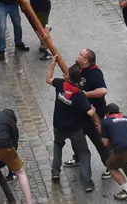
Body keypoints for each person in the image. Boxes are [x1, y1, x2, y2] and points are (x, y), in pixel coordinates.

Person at [47, 62, 98, 193]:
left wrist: (53, 64)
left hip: (58, 126)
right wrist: (93, 109)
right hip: (75, 129)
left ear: (68, 76)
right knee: (84, 153)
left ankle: (55, 172)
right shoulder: (79, 95)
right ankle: (87, 183)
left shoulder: (60, 84)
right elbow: (89, 112)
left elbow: (48, 79)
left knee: (58, 145)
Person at [74, 48, 111, 177]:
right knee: (77, 136)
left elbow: (103, 90)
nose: (77, 55)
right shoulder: (79, 69)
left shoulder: (95, 73)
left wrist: (86, 94)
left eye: (80, 54)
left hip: (95, 113)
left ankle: (110, 166)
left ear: (85, 60)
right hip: (81, 112)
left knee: (99, 142)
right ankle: (77, 157)